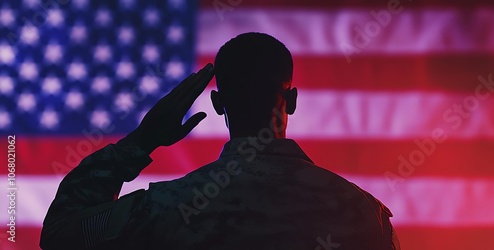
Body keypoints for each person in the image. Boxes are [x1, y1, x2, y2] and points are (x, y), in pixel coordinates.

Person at [40, 32, 400, 250]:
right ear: (290, 100)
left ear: (216, 104)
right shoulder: (363, 214)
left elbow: (59, 236)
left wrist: (141, 140)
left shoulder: (166, 208)